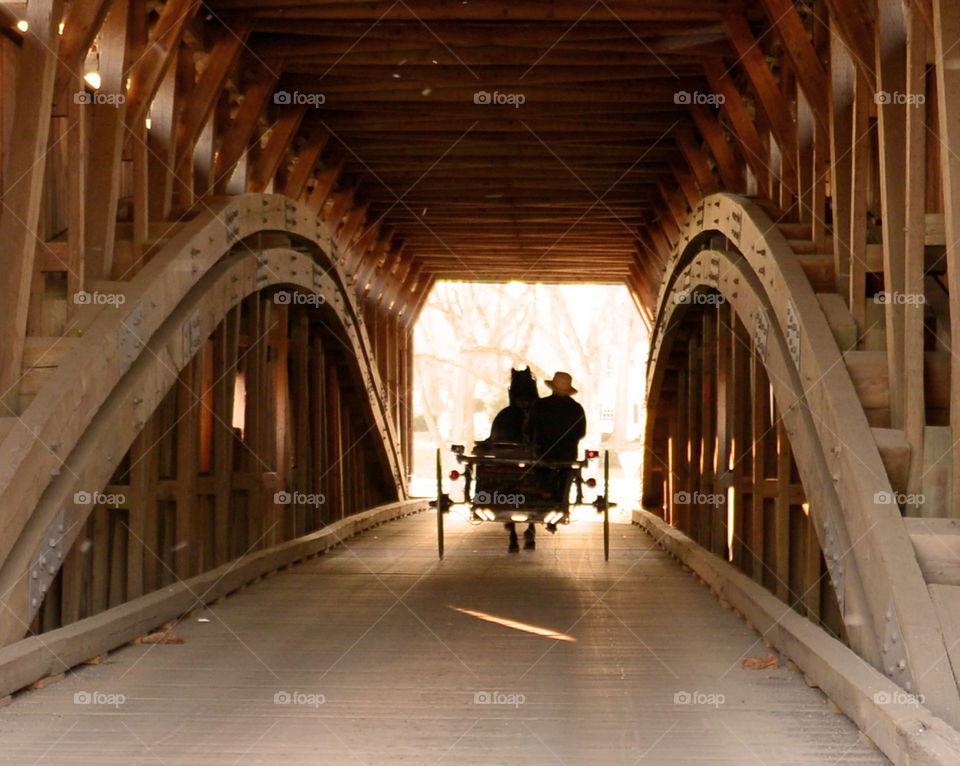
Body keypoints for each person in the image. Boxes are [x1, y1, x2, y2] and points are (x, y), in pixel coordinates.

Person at [528, 371, 587, 539]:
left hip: (541, 454)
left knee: (538, 475)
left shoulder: (540, 405)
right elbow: (581, 432)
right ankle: (560, 506)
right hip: (567, 455)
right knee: (565, 478)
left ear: (552, 388)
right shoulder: (576, 409)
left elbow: (529, 428)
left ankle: (541, 498)